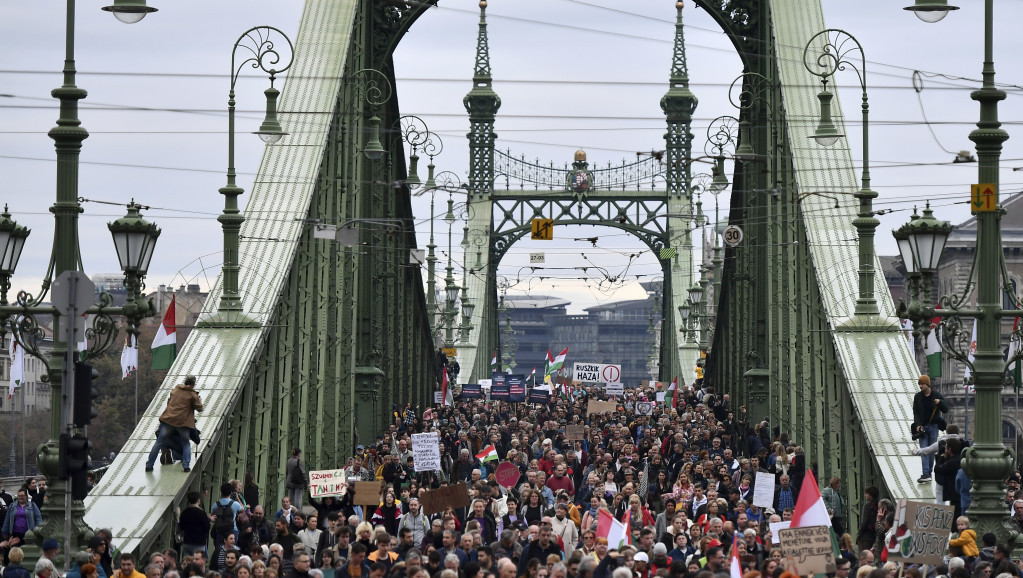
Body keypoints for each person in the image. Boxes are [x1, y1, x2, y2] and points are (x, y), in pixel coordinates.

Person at [145, 375, 203, 472]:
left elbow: (169, 403)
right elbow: (199, 408)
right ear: (193, 384)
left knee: (159, 442)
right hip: (182, 423)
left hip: (169, 420)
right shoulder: (193, 395)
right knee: (186, 443)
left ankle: (149, 465)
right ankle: (186, 466)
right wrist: (199, 400)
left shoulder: (175, 391)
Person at [912, 375, 947, 484]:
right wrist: (917, 425)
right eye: (919, 384)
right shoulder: (917, 397)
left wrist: (939, 402)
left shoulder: (937, 395)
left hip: (934, 426)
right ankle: (925, 473)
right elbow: (916, 413)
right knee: (924, 450)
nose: (920, 386)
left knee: (931, 451)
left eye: (922, 384)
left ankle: (929, 473)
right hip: (922, 427)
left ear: (927, 384)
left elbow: (945, 409)